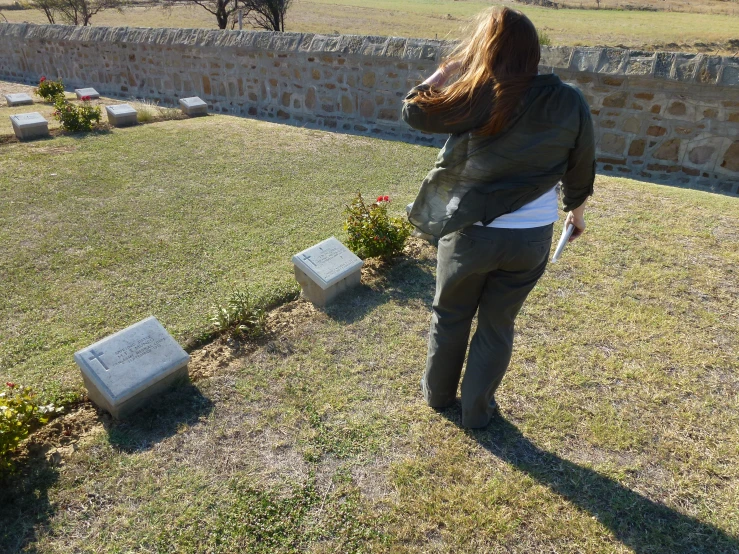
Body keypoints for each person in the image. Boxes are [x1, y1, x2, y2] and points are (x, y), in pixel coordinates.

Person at [401, 6, 595, 428]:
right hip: (531, 240)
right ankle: (477, 414)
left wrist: (445, 71)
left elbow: (414, 110)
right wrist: (576, 215)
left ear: (485, 48)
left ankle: (438, 398)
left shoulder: (479, 92)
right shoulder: (570, 100)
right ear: (533, 50)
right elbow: (582, 166)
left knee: (450, 315)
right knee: (497, 325)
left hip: (470, 234)